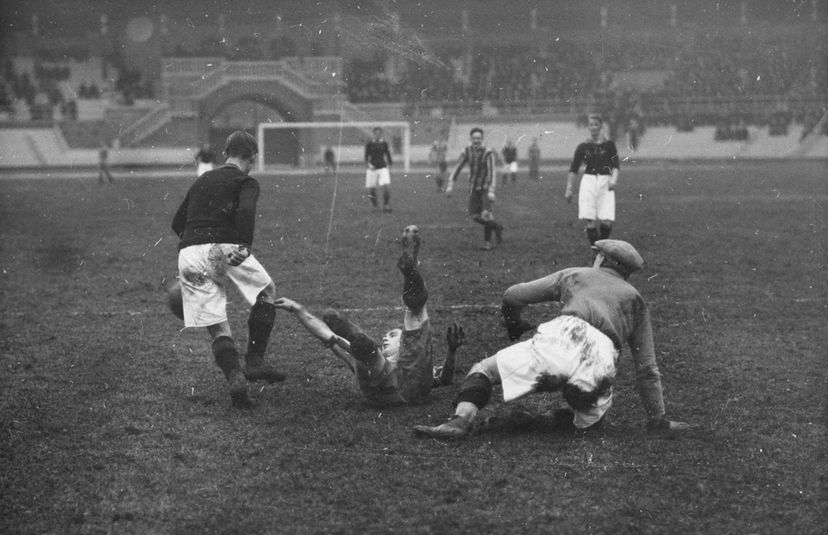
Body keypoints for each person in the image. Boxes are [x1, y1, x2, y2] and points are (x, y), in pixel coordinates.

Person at [414, 239, 694, 439]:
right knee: (589, 424)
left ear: (603, 260)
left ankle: (460, 420)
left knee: (484, 370)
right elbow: (647, 369)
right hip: (602, 358)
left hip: (563, 335)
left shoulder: (577, 275)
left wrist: (513, 323)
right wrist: (657, 418)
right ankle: (564, 419)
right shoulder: (636, 300)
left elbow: (513, 294)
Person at [274, 225, 466, 406]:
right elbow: (445, 379)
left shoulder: (396, 360)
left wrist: (299, 310)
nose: (388, 337)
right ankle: (410, 271)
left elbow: (443, 379)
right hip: (406, 387)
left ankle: (358, 338)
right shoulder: (403, 360)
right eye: (392, 336)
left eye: (392, 336)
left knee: (359, 352)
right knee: (413, 316)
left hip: (388, 387)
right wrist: (299, 311)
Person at [171, 130, 285, 409]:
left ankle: (235, 377)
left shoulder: (203, 180)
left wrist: (196, 244)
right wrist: (243, 246)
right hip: (225, 247)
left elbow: (177, 222)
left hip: (188, 252)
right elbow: (245, 212)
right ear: (253, 156)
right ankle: (255, 361)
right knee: (266, 291)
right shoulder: (246, 181)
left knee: (218, 325)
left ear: (226, 154)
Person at [564, 114, 620, 247]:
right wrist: (569, 188)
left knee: (606, 220)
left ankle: (602, 247)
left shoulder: (609, 145)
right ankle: (596, 252)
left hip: (605, 182)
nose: (594, 127)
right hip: (588, 182)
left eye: (596, 124)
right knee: (590, 219)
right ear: (588, 127)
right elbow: (573, 169)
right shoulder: (583, 147)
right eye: (591, 124)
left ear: (601, 126)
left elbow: (616, 165)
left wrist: (614, 179)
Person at [445, 127, 504, 251]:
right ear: (470, 139)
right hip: (473, 187)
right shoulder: (467, 151)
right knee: (475, 216)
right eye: (474, 138)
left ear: (482, 139)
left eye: (478, 138)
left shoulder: (488, 152)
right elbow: (458, 167)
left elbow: (492, 171)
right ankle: (496, 226)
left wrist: (491, 190)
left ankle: (487, 243)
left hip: (486, 187)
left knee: (486, 214)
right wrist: (451, 184)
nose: (476, 140)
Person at [364, 127, 393, 212]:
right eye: (376, 133)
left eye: (379, 133)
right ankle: (374, 205)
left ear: (381, 134)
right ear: (373, 134)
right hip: (372, 168)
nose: (377, 135)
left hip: (382, 167)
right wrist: (369, 165)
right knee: (371, 189)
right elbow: (366, 157)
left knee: (386, 187)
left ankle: (386, 205)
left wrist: (389, 164)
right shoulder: (369, 144)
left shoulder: (384, 143)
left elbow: (388, 155)